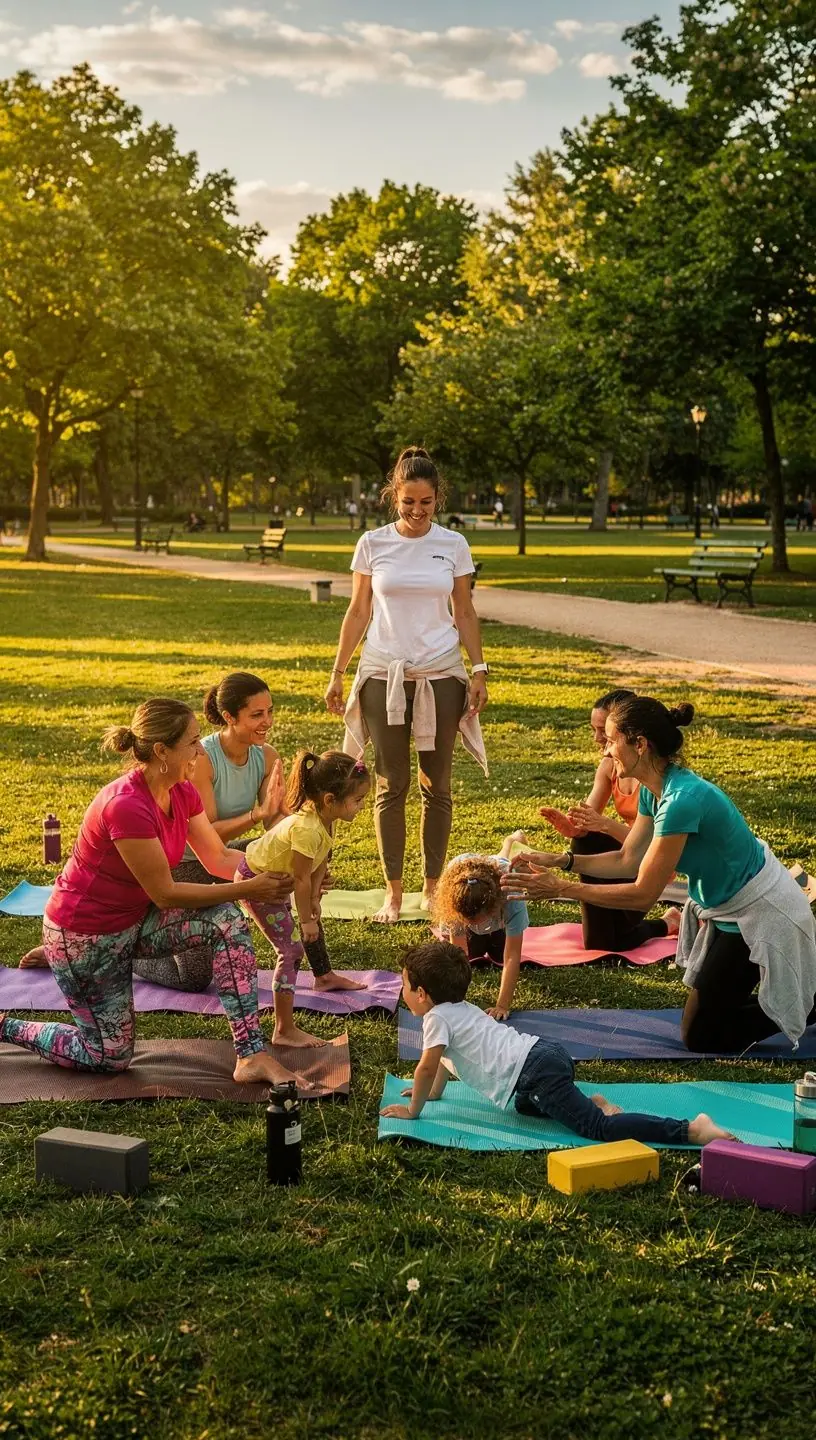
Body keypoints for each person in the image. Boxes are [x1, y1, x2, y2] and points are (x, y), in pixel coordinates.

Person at [0, 700, 310, 1088]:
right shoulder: (126, 805)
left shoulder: (181, 792)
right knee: (109, 1056)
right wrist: (250, 887)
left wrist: (293, 872)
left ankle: (251, 1054)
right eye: (193, 742)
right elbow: (165, 893)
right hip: (85, 934)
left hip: (135, 921)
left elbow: (218, 857)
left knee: (226, 920)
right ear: (162, 751)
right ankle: (7, 1025)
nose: (201, 750)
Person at [504, 696, 816, 1054]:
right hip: (731, 911)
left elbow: (642, 894)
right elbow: (627, 859)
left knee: (701, 1037)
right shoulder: (657, 791)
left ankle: (810, 1003)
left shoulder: (681, 799)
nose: (605, 751)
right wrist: (563, 860)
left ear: (640, 744)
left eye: (610, 741)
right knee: (706, 1027)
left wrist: (561, 889)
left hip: (762, 913)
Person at [325, 446, 489, 923]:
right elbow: (358, 612)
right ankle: (393, 893)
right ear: (393, 497)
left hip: (441, 672)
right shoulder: (372, 543)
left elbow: (464, 611)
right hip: (383, 672)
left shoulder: (454, 544)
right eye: (408, 502)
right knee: (389, 783)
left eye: (426, 502)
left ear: (439, 499)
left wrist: (478, 670)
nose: (417, 512)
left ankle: (434, 889)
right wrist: (338, 672)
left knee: (437, 785)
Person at [380, 942, 732, 1146]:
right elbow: (442, 1062)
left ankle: (690, 1129)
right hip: (542, 1057)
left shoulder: (435, 1019)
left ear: (422, 994)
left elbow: (427, 1064)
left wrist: (415, 1111)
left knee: (598, 1130)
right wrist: (433, 1093)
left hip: (537, 1074)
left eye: (405, 986)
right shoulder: (460, 1009)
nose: (404, 993)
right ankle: (593, 1102)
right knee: (519, 1105)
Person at [235, 750, 371, 1045]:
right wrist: (307, 918)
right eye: (357, 801)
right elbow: (300, 879)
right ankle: (283, 1030)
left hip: (279, 880)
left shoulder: (325, 818)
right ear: (330, 800)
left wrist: (315, 901)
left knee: (304, 927)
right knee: (292, 950)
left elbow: (319, 863)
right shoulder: (307, 829)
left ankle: (324, 978)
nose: (361, 807)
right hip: (258, 883)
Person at [539, 688, 681, 952]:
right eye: (594, 730)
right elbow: (590, 822)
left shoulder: (659, 784)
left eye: (604, 732)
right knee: (603, 943)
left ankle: (657, 923)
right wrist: (574, 828)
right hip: (630, 856)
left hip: (650, 862)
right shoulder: (611, 768)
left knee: (609, 940)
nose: (598, 739)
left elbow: (648, 849)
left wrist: (603, 825)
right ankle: (664, 923)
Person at [432, 832, 530, 1020]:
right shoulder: (455, 899)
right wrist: (456, 1002)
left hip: (496, 874)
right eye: (469, 922)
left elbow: (511, 956)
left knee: (497, 952)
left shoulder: (511, 894)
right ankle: (507, 843)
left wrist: (502, 1005)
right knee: (471, 953)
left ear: (494, 907)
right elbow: (458, 954)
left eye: (479, 920)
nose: (475, 926)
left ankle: (511, 841)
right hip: (466, 878)